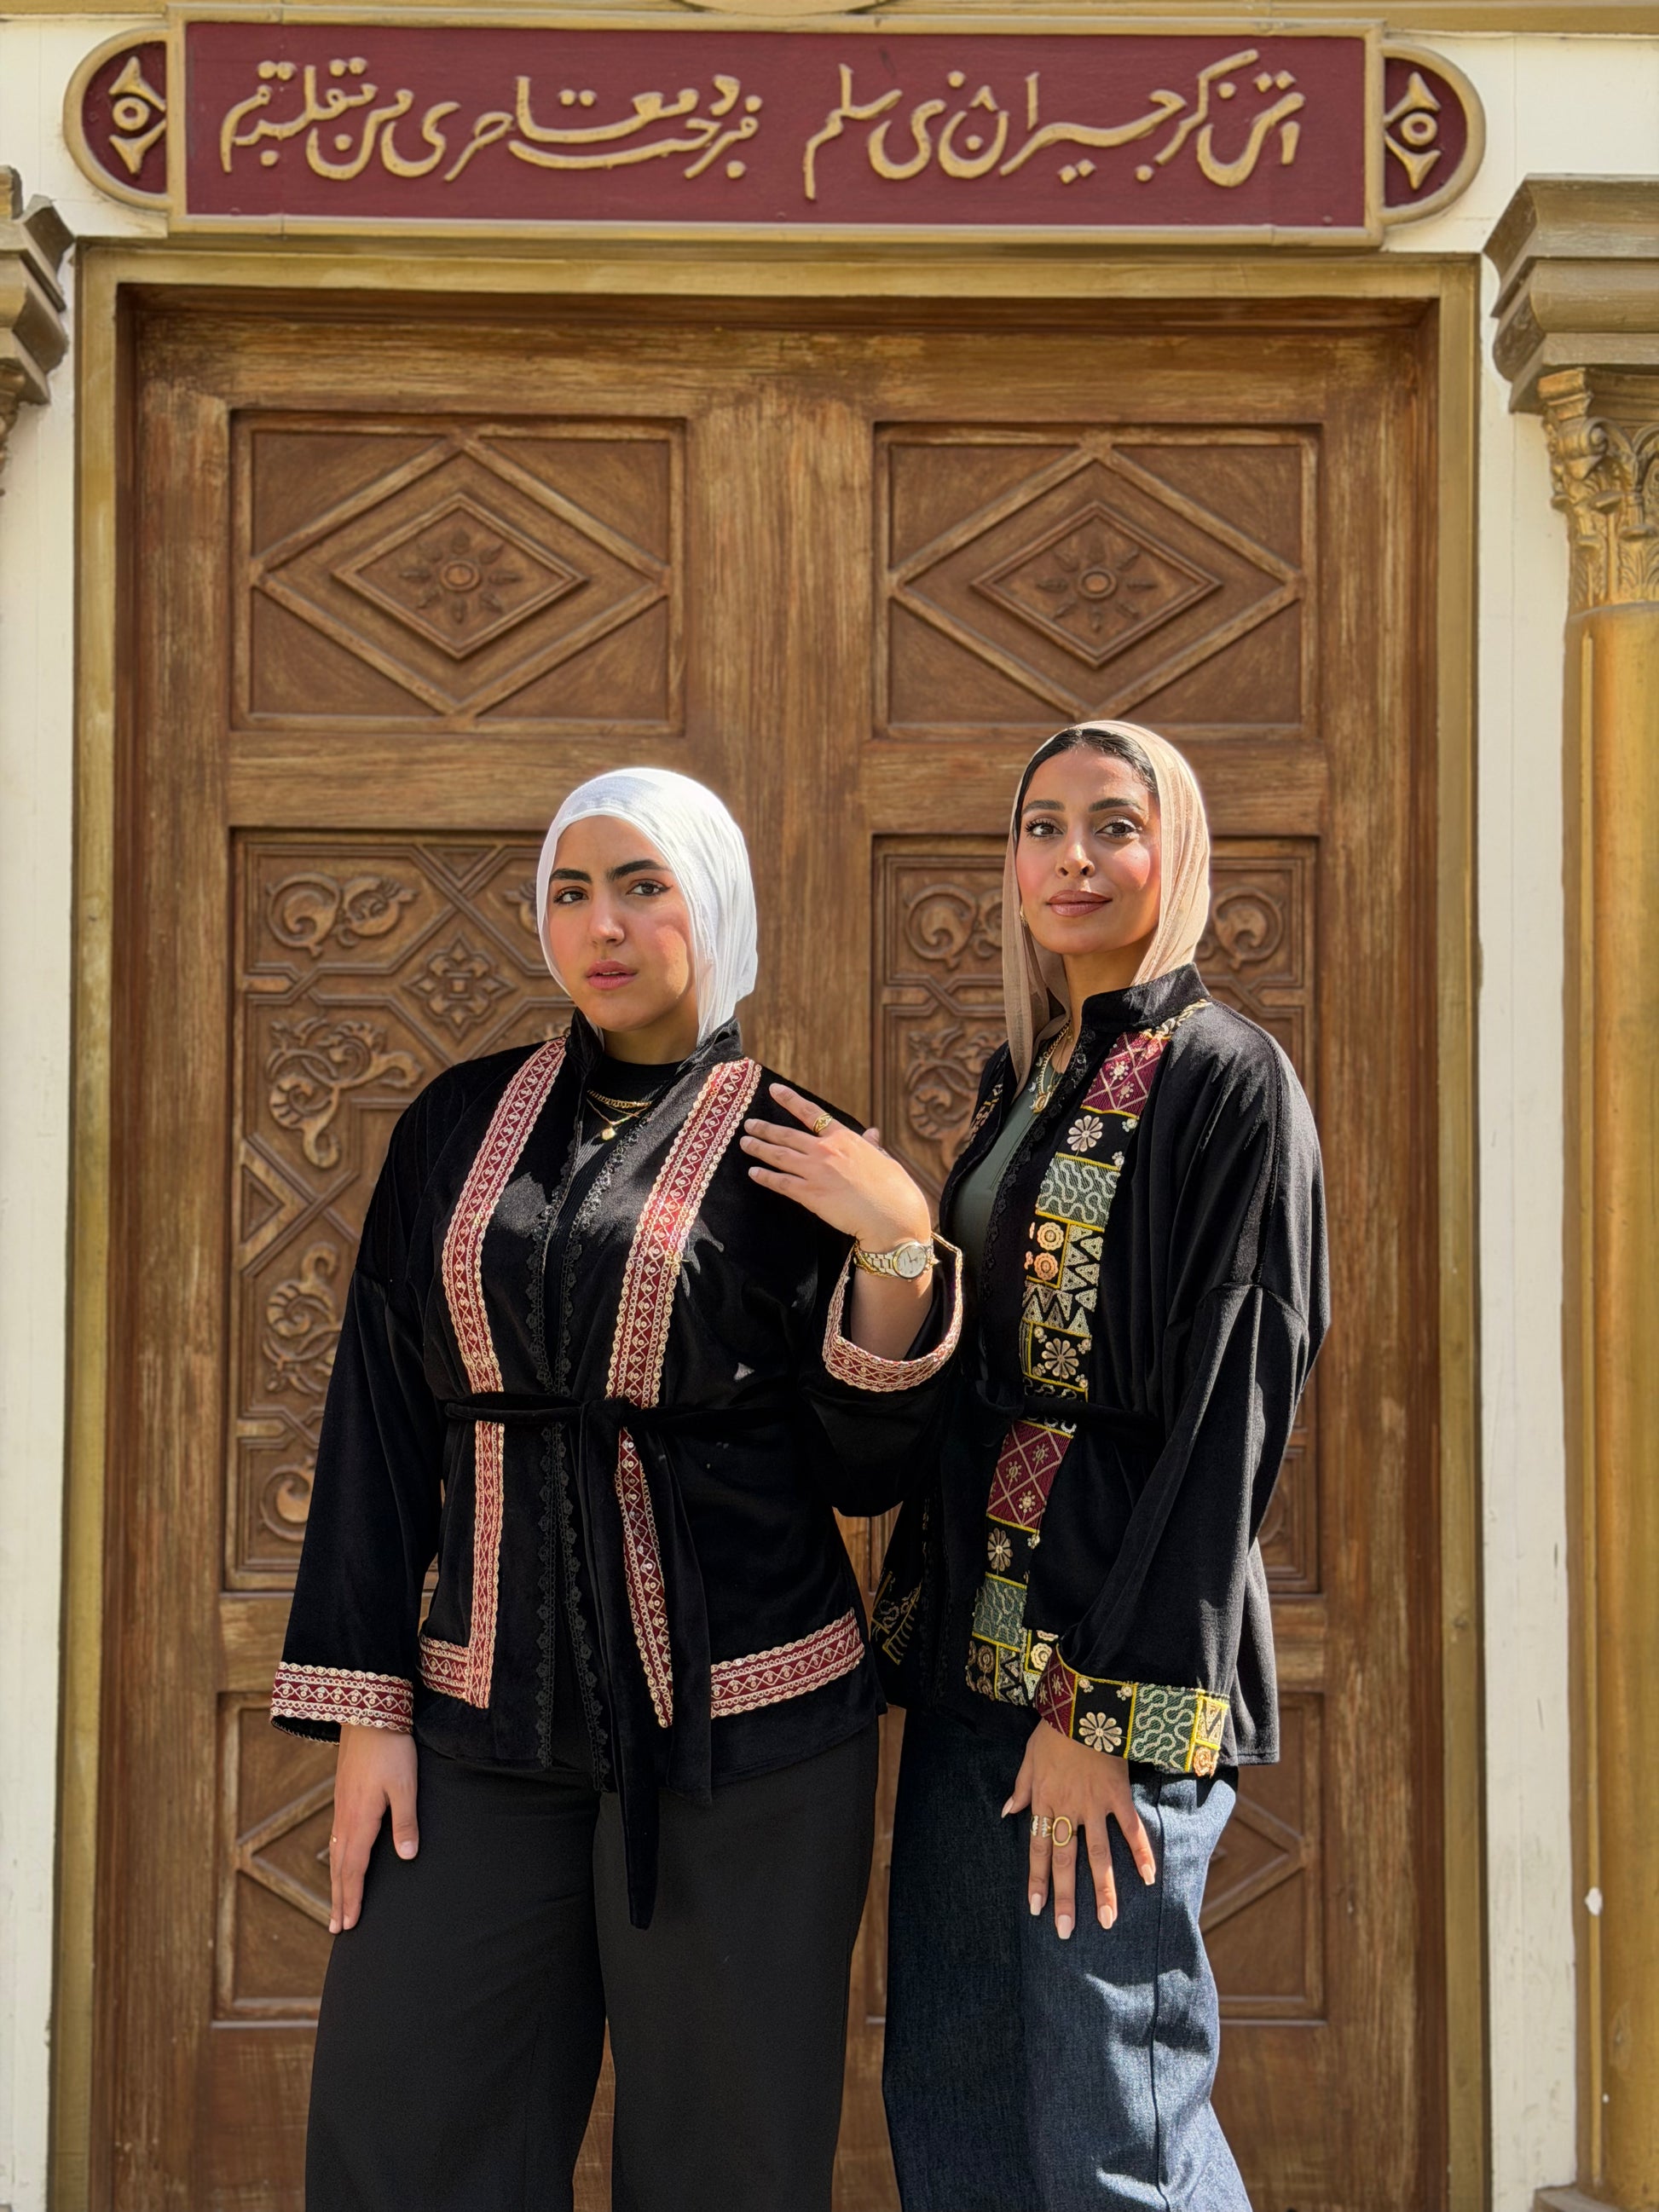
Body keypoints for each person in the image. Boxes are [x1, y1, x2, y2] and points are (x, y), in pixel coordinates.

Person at [272, 765, 960, 2212]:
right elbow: (379, 1422)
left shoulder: (802, 1150)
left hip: (747, 1739)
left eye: (645, 887)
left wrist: (898, 1250)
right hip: (479, 1731)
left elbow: (863, 1473)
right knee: (406, 2136)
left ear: (713, 905)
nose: (604, 926)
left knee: (728, 2165)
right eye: (572, 892)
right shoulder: (455, 1124)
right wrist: (367, 1715)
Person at [876, 721, 1328, 2212]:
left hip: (1106, 1679)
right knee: (955, 2087)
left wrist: (1097, 1710)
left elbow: (1228, 1414)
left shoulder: (1225, 1080)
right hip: (973, 1664)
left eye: (1113, 825)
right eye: (1041, 826)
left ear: (1173, 852)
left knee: (1109, 2114)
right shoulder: (1028, 1077)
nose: (1071, 857)